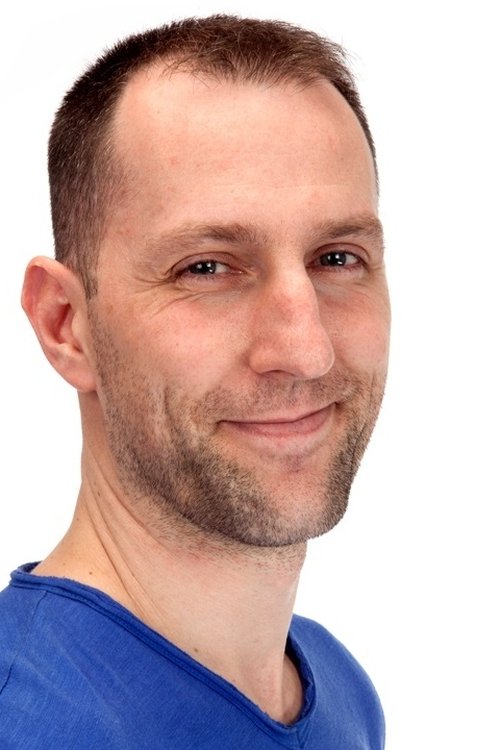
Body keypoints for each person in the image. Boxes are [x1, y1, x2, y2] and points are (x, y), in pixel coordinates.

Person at [0, 14, 390, 749]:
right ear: (65, 324)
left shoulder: (339, 690)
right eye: (206, 268)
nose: (306, 351)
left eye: (337, 258)